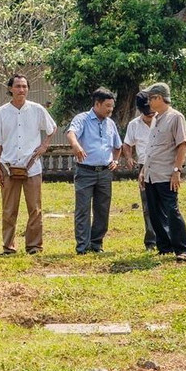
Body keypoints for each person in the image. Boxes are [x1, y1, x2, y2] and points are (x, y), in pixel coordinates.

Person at [0, 74, 56, 256]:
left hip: (31, 166)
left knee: (35, 208)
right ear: (10, 88)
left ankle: (34, 246)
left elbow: (52, 128)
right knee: (9, 209)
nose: (21, 90)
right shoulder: (2, 112)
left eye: (24, 86)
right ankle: (8, 246)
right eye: (18, 86)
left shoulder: (37, 109)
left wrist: (44, 145)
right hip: (8, 165)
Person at [140, 82, 186, 261]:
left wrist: (177, 170)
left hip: (165, 173)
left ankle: (183, 249)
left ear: (159, 98)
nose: (148, 102)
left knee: (171, 210)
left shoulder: (175, 117)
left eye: (150, 98)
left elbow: (182, 145)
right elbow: (151, 148)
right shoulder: (156, 119)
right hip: (151, 174)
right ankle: (165, 246)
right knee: (155, 212)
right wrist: (143, 171)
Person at [65, 88, 122, 254]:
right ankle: (82, 246)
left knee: (102, 210)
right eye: (107, 106)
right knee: (83, 209)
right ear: (97, 104)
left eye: (112, 106)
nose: (110, 109)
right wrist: (76, 146)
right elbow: (71, 133)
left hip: (105, 172)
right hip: (85, 171)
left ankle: (96, 244)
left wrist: (116, 160)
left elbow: (118, 146)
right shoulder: (82, 119)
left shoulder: (110, 124)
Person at [121, 91, 158, 251]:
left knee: (167, 204)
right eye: (146, 113)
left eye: (152, 112)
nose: (150, 115)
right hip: (144, 167)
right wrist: (128, 157)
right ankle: (151, 241)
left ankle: (167, 238)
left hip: (162, 165)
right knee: (147, 205)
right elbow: (127, 144)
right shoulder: (134, 125)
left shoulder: (164, 120)